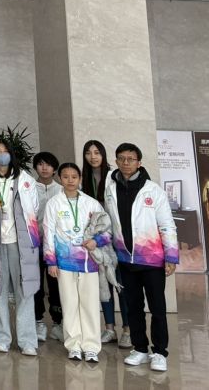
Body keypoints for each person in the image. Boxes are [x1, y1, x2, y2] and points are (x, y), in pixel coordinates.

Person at [104, 143, 178, 373]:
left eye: (131, 159)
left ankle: (160, 352)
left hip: (152, 260)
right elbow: (109, 221)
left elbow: (167, 224)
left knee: (157, 307)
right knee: (132, 306)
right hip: (125, 260)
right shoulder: (110, 187)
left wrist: (171, 256)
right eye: (121, 158)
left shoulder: (152, 190)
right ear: (116, 161)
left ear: (139, 162)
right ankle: (140, 348)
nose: (126, 162)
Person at [43, 162, 112, 364]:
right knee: (69, 304)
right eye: (65, 177)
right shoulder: (53, 203)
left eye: (74, 177)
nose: (70, 180)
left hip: (89, 262)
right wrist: (51, 262)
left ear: (80, 178)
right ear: (60, 179)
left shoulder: (92, 203)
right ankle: (73, 345)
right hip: (64, 263)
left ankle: (91, 347)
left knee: (90, 305)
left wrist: (96, 241)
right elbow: (48, 233)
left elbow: (107, 231)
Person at [0, 138, 40, 356]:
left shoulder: (25, 179)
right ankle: (1, 338)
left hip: (20, 242)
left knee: (24, 290)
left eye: (5, 150)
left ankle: (27, 340)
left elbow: (34, 209)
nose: (1, 154)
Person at [83, 139, 130, 347]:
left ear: (103, 155)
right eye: (88, 153)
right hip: (97, 240)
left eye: (97, 152)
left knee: (121, 284)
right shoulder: (83, 178)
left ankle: (127, 330)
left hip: (117, 238)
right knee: (103, 285)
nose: (93, 157)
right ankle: (109, 328)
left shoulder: (113, 176)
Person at [32, 151, 63, 342]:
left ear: (54, 169)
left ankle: (58, 322)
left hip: (55, 245)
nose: (44, 168)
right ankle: (38, 321)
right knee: (35, 283)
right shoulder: (28, 187)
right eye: (41, 164)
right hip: (34, 243)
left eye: (49, 164)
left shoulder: (61, 189)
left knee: (55, 284)